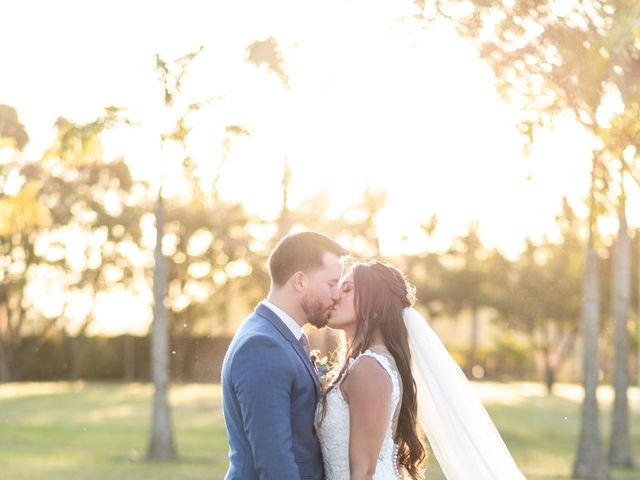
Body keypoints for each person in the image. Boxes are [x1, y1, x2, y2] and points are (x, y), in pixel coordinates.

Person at [315, 260, 527, 480]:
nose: (335, 296)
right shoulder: (371, 363)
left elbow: (364, 472)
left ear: (375, 305)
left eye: (347, 289)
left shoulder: (369, 368)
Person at [221, 231, 348, 480]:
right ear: (300, 281)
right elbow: (274, 462)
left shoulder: (279, 336)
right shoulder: (262, 346)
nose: (336, 295)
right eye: (331, 283)